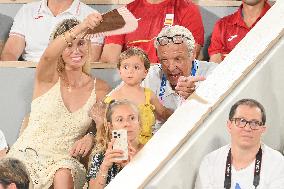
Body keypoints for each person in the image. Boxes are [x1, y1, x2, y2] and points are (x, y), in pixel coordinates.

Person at [6, 13, 110, 188]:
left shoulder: (100, 88)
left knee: (62, 173)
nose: (76, 51)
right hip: (26, 155)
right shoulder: (47, 77)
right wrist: (83, 26)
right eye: (68, 45)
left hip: (64, 162)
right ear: (59, 48)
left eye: (81, 43)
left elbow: (101, 125)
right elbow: (47, 56)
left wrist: (91, 136)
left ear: (88, 45)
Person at [195, 99, 284, 189]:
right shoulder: (210, 163)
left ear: (263, 129)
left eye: (255, 123)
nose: (247, 128)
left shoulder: (277, 163)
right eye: (241, 121)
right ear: (229, 125)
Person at [142, 25, 217, 131]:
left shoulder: (212, 73)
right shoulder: (150, 76)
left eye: (178, 59)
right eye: (164, 60)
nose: (171, 67)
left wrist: (194, 97)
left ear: (193, 54)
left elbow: (218, 119)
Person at [104, 47, 173, 144]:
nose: (130, 71)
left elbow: (164, 113)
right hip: (123, 148)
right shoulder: (112, 99)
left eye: (136, 67)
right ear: (119, 71)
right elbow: (106, 131)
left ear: (145, 72)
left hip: (148, 147)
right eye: (125, 67)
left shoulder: (148, 94)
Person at [100, 0, 204, 64]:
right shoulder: (121, 14)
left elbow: (188, 57)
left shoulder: (188, 10)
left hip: (170, 82)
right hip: (132, 82)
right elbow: (109, 61)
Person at [0, 0, 103, 62]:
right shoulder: (27, 10)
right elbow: (9, 53)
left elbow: (91, 59)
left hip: (68, 76)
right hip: (28, 72)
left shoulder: (91, 16)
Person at [87, 99, 143, 188]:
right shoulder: (101, 156)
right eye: (120, 120)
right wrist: (104, 168)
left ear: (139, 122)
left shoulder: (150, 149)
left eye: (132, 118)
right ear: (111, 126)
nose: (127, 124)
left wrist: (130, 168)